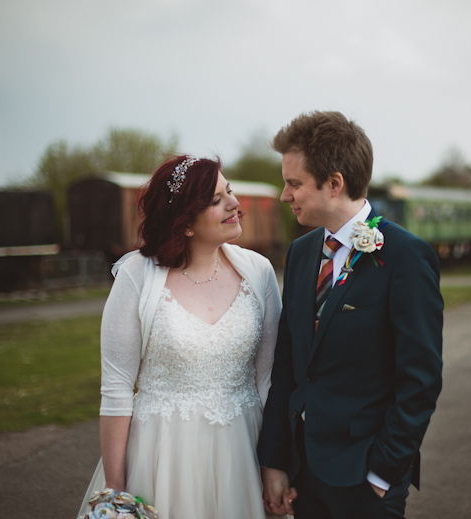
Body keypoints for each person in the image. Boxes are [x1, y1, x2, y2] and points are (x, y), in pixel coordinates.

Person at [257, 111, 444, 518]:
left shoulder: (405, 257)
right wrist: (274, 460)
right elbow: (288, 365)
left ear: (335, 183)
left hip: (366, 477)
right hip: (303, 473)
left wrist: (382, 474)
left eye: (294, 184)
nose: (285, 195)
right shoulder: (302, 253)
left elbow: (420, 379)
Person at [78, 155, 285, 519]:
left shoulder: (259, 272)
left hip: (243, 452)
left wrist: (273, 467)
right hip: (162, 457)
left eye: (230, 191)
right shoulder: (136, 278)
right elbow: (116, 389)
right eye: (217, 200)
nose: (235, 205)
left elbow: (268, 381)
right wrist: (116, 494)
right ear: (185, 222)